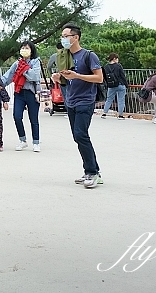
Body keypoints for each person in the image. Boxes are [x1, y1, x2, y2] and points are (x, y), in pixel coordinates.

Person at [55, 23, 104, 188]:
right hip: (70, 100)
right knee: (78, 136)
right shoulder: (64, 56)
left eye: (66, 36)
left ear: (75, 37)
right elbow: (66, 78)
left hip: (86, 100)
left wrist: (77, 75)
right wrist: (58, 77)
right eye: (62, 36)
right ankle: (92, 170)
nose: (63, 39)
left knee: (81, 134)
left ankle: (91, 172)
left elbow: (99, 78)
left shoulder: (89, 56)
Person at [2, 41, 42, 152]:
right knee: (17, 116)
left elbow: (34, 76)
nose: (24, 50)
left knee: (33, 119)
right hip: (19, 93)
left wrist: (23, 69)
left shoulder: (35, 62)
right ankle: (23, 140)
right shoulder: (17, 63)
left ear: (31, 50)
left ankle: (36, 142)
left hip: (32, 93)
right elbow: (8, 76)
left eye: (27, 48)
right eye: (23, 48)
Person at [101, 53, 129, 119]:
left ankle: (104, 113)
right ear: (114, 59)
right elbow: (122, 76)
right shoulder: (118, 66)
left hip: (111, 85)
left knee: (109, 99)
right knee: (121, 100)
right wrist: (126, 85)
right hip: (120, 84)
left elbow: (104, 77)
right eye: (117, 58)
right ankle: (120, 115)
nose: (118, 60)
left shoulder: (106, 67)